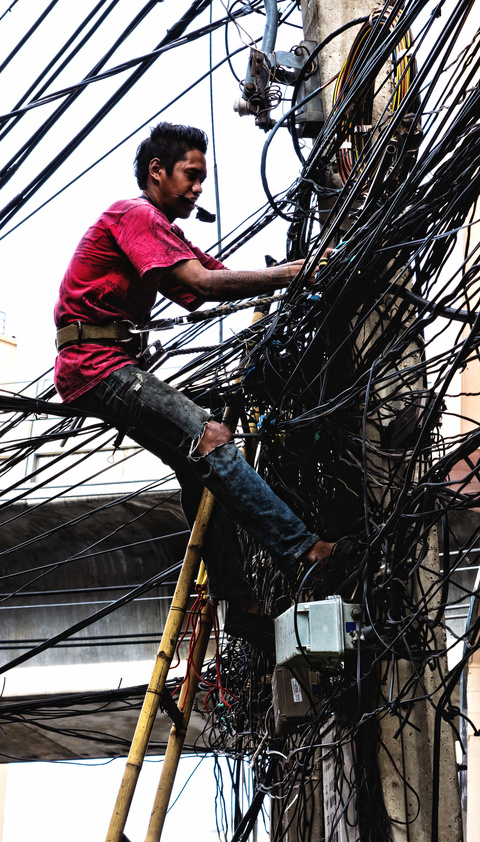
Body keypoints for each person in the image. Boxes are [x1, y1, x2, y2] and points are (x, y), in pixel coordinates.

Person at [54, 122, 340, 650]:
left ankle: (241, 603)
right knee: (210, 437)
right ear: (156, 172)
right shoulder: (135, 214)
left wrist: (286, 277)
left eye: (202, 179)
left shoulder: (161, 231)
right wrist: (294, 276)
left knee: (195, 466)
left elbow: (214, 278)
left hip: (105, 365)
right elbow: (201, 284)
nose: (198, 188)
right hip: (95, 364)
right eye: (191, 175)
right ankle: (304, 549)